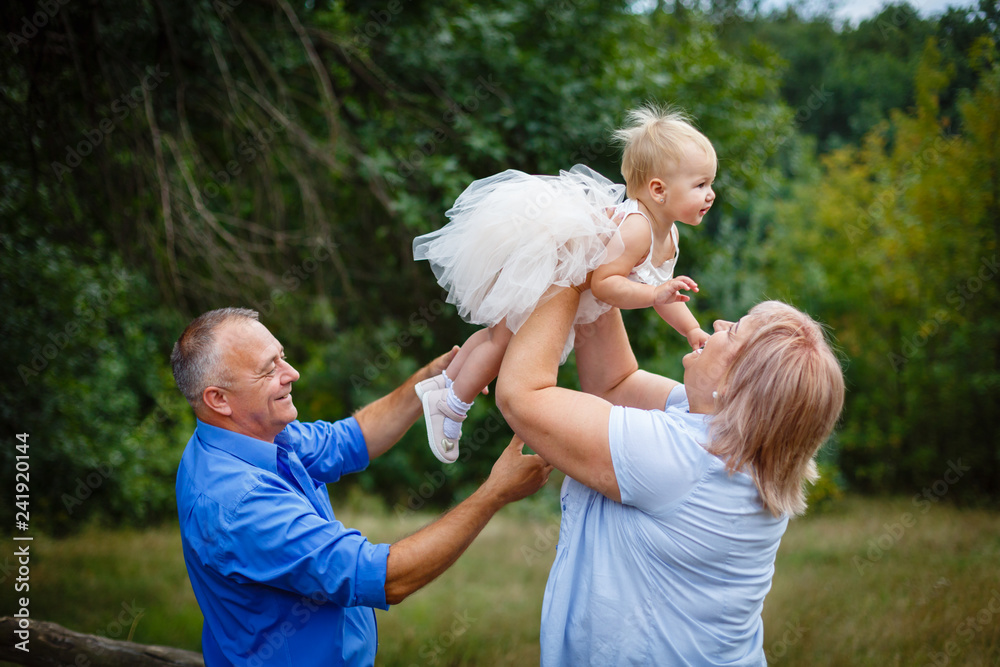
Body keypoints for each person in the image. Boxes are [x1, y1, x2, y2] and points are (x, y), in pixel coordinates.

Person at [170, 307, 552, 667]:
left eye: (281, 356)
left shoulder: (254, 436)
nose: (292, 373)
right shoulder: (241, 504)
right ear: (218, 399)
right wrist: (494, 493)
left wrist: (430, 382)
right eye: (268, 370)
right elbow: (388, 578)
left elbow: (350, 440)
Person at [495, 285, 845, 666]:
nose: (718, 323)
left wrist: (571, 267)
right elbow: (614, 384)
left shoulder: (686, 460)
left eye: (732, 331)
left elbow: (521, 396)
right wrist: (602, 268)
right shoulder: (728, 440)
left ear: (735, 385)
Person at [412, 104, 714, 463]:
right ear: (659, 190)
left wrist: (691, 328)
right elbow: (604, 284)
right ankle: (452, 404)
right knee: (503, 341)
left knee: (501, 335)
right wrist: (652, 294)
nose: (710, 194)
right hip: (549, 269)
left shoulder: (670, 234)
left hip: (561, 278)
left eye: (710, 183)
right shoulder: (638, 230)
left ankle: (446, 384)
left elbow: (664, 293)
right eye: (700, 185)